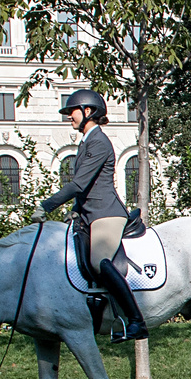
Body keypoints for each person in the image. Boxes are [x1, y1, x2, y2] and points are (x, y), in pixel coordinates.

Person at [37, 89, 146, 342]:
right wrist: (75, 211)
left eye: (71, 111)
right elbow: (85, 188)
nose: (69, 117)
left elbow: (78, 184)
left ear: (88, 112)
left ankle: (136, 321)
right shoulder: (86, 142)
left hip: (106, 213)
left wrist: (46, 205)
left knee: (99, 260)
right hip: (89, 215)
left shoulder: (98, 142)